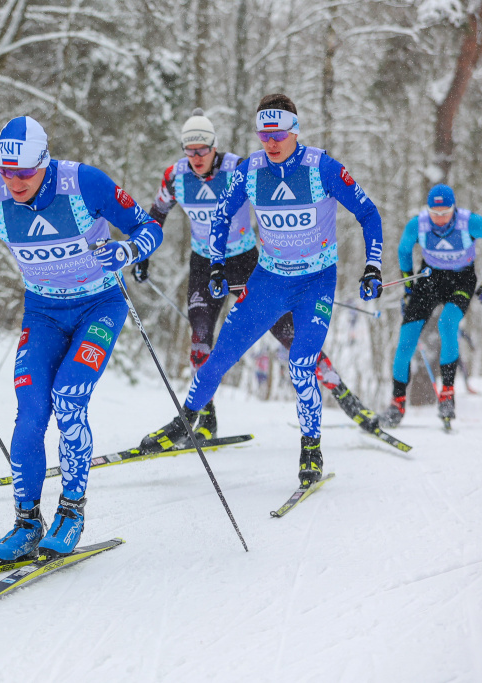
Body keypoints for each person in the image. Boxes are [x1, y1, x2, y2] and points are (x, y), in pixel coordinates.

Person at [0, 116, 162, 560]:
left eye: (23, 171)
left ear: (44, 161)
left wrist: (129, 250)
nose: (14, 181)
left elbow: (147, 226)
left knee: (70, 396)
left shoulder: (84, 183)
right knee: (31, 409)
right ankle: (25, 523)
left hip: (99, 306)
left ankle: (71, 511)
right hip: (43, 312)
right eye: (6, 170)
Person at [138, 93, 383, 488]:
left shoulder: (321, 166)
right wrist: (215, 262)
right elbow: (221, 214)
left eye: (278, 134)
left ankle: (311, 446)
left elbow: (368, 212)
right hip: (267, 280)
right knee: (216, 358)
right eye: (263, 134)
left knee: (300, 363)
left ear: (294, 131)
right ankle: (185, 422)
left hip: (315, 282)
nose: (270, 142)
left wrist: (372, 265)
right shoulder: (250, 169)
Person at [380, 184, 482, 426]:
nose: (439, 218)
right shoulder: (418, 224)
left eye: (444, 212)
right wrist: (408, 289)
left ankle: (447, 395)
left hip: (462, 278)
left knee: (448, 324)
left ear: (454, 208)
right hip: (430, 278)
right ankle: (397, 404)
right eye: (434, 213)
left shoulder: (469, 222)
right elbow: (404, 251)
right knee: (406, 339)